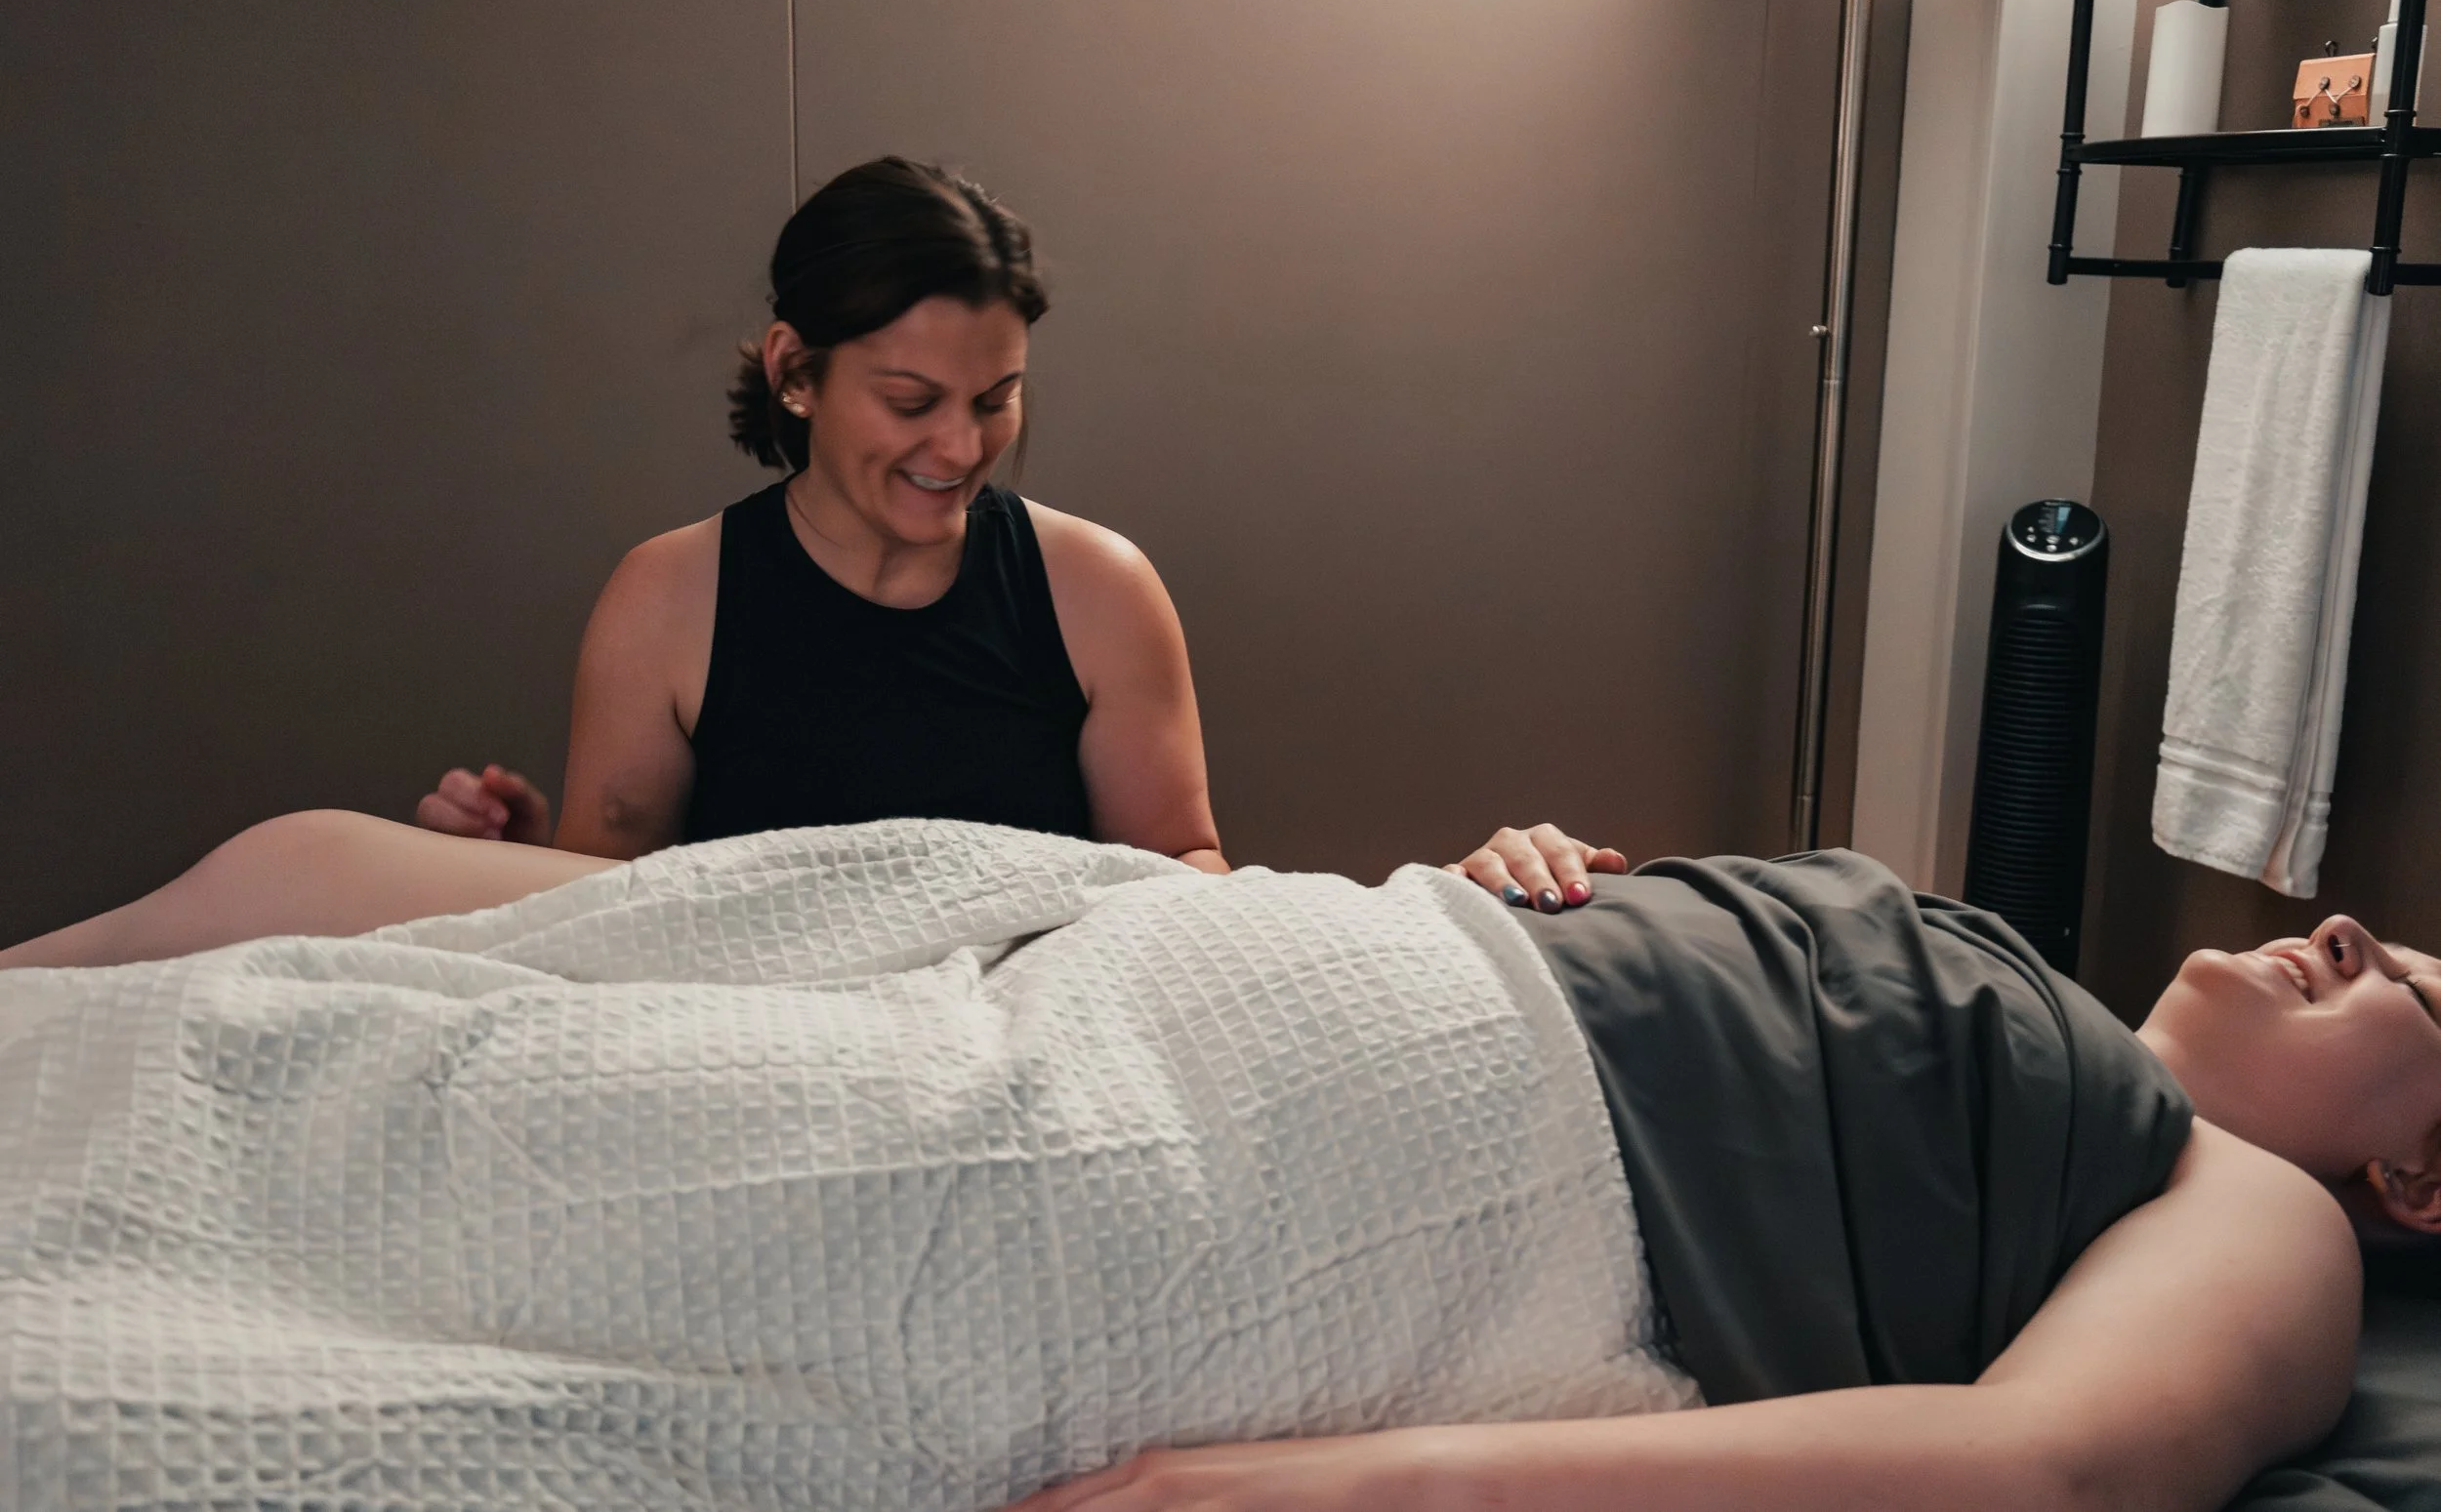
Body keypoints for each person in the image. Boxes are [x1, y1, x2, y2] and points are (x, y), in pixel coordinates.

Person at [0, 812, 2403, 1512]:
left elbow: (2039, 1466)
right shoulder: (2016, 986)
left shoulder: (2251, 1212)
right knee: (389, 971)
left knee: (505, 1171)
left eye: (2413, 987)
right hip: (1218, 964)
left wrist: (1338, 1490)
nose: (2344, 932)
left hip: (1330, 1178)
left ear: (2420, 1188)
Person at [415, 157, 1232, 872]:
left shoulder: (1100, 591)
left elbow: (1180, 871)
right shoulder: (665, 600)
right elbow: (608, 909)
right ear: (796, 372)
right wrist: (509, 871)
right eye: (910, 401)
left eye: (995, 399)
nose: (960, 446)